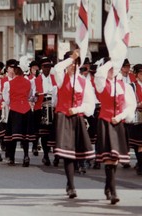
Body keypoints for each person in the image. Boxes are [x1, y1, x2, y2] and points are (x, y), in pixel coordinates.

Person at [53, 50, 96, 198]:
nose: (72, 67)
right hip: (63, 118)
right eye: (70, 64)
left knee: (78, 152)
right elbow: (56, 69)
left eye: (75, 64)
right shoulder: (61, 78)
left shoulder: (84, 82)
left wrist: (77, 109)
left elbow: (90, 106)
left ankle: (71, 180)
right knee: (68, 153)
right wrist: (71, 59)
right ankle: (71, 185)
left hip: (77, 117)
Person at [94, 58, 136, 204]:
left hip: (118, 122)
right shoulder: (101, 83)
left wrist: (120, 117)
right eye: (111, 69)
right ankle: (113, 191)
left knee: (115, 159)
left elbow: (131, 107)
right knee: (109, 158)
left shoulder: (125, 87)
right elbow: (99, 74)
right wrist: (113, 58)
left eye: (115, 69)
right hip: (105, 122)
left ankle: (108, 185)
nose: (113, 71)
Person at [3, 62, 35, 167]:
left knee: (13, 136)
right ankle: (26, 156)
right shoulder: (29, 82)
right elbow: (30, 96)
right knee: (25, 135)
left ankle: (11, 157)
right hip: (26, 109)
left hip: (15, 110)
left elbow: (7, 100)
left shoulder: (8, 83)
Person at [126, 64, 142, 175]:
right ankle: (140, 164)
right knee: (139, 144)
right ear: (136, 74)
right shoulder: (132, 86)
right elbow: (128, 102)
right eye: (141, 74)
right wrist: (138, 104)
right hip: (137, 117)